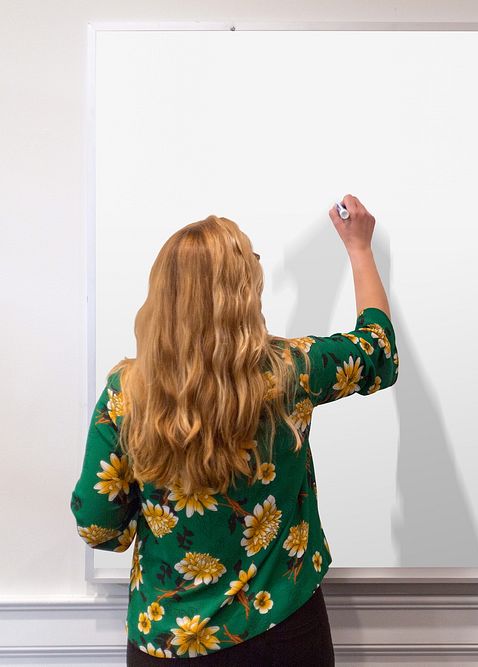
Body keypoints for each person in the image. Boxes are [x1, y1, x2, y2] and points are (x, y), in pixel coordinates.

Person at [69, 195, 397, 664]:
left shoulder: (128, 393)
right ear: (245, 293)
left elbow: (98, 526)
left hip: (166, 643)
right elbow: (378, 349)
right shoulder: (291, 371)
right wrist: (360, 249)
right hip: (283, 632)